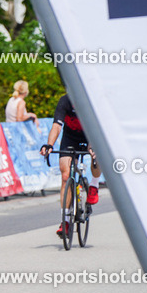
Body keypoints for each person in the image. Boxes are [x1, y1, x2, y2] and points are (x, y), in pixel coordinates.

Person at [40, 94, 100, 238]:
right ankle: (65, 221)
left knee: (97, 156)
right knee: (66, 175)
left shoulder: (92, 100)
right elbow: (56, 126)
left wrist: (92, 146)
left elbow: (96, 127)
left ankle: (94, 185)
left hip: (91, 134)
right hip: (70, 138)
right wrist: (49, 145)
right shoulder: (65, 100)